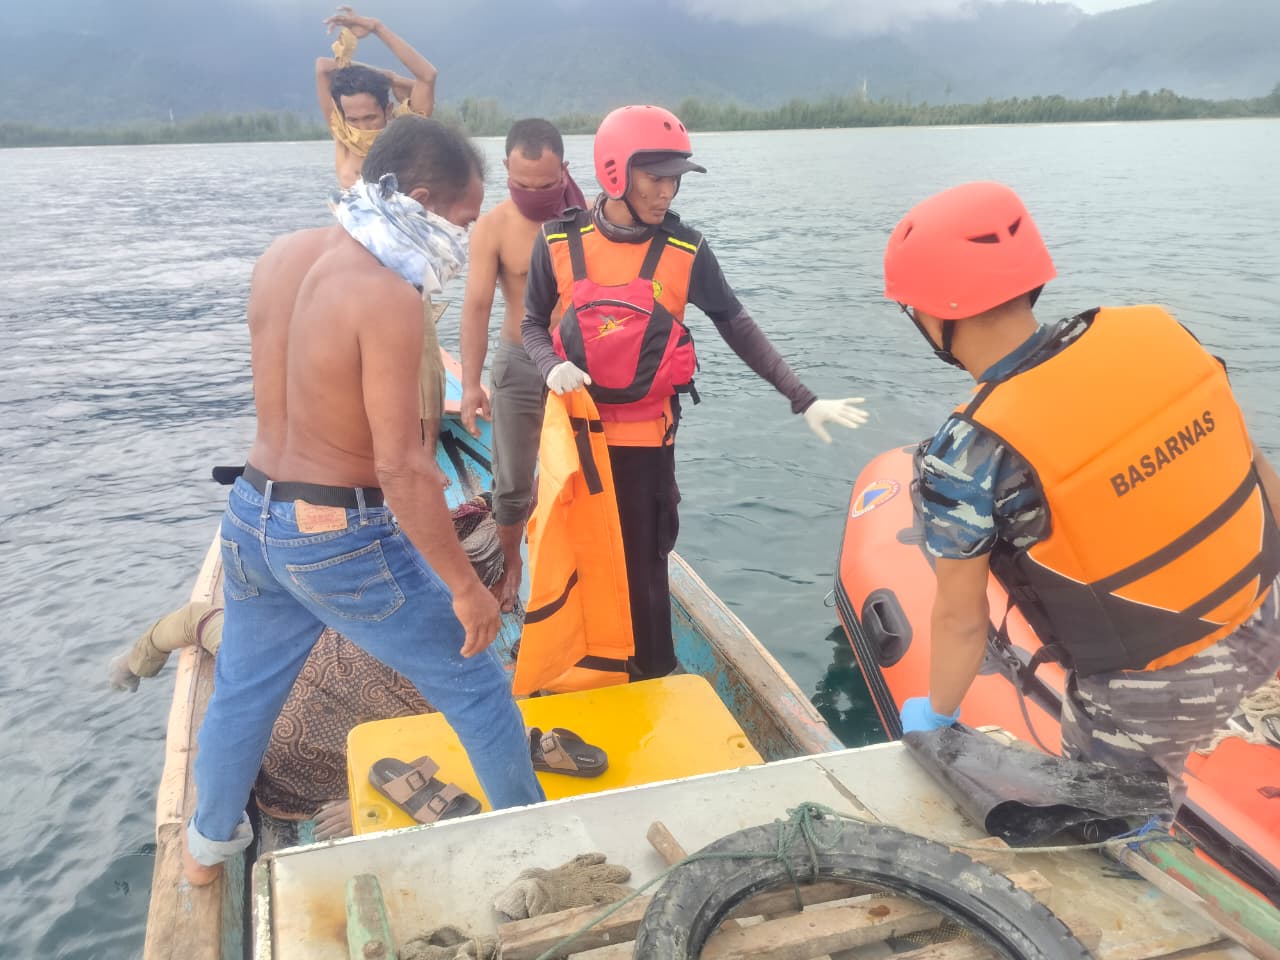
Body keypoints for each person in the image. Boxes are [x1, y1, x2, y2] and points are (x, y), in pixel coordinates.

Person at [183, 116, 544, 886]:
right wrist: (467, 590)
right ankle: (533, 849)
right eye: (464, 219)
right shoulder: (386, 295)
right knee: (476, 683)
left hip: (252, 515)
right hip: (337, 534)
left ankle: (206, 855)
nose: (467, 237)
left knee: (244, 694)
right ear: (416, 199)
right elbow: (405, 469)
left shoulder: (283, 257)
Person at [887, 180, 1280, 809]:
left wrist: (937, 717)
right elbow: (1257, 474)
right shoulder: (1159, 331)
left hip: (1154, 685)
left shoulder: (967, 450)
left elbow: (962, 620)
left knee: (1115, 826)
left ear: (935, 315)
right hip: (1265, 614)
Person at [521, 104, 868, 681]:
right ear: (614, 173)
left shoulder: (686, 250)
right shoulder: (557, 240)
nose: (667, 190)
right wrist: (548, 365)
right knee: (570, 555)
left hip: (644, 444)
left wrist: (802, 396)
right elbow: (533, 324)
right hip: (575, 439)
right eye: (655, 176)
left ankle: (652, 673)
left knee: (646, 568)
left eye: (675, 177)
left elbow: (737, 325)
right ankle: (573, 667)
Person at [459, 118, 586, 612]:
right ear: (507, 172)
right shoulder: (494, 227)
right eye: (522, 185)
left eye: (545, 186)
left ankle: (575, 570)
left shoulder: (589, 221)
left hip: (576, 366)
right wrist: (470, 384)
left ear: (565, 172)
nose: (533, 194)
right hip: (517, 360)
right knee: (511, 481)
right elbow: (475, 307)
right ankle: (510, 564)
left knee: (579, 476)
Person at [314, 6, 438, 187]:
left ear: (387, 110)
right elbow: (322, 67)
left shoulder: (406, 134)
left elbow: (428, 75)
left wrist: (377, 28)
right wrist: (388, 76)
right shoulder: (343, 136)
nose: (362, 127)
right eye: (353, 120)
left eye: (370, 117)